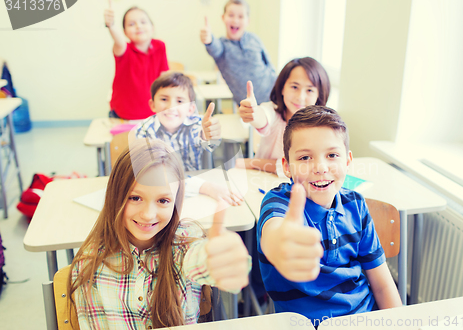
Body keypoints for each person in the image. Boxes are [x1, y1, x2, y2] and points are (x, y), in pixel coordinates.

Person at [69, 139, 251, 328]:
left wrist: (224, 262)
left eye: (163, 200)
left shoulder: (185, 245)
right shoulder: (89, 264)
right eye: (135, 198)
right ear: (115, 194)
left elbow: (203, 260)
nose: (148, 215)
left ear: (176, 202)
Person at [257, 106, 402, 326]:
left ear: (347, 161)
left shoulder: (356, 204)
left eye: (332, 155)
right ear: (286, 166)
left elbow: (382, 284)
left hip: (365, 318)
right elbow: (274, 234)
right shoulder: (279, 203)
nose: (320, 167)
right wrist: (280, 246)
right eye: (305, 157)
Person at [134, 72, 243, 206]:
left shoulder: (197, 125)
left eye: (179, 101)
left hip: (194, 194)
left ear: (191, 108)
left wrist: (209, 135)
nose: (171, 107)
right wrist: (206, 187)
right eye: (164, 99)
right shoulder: (144, 131)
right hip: (160, 195)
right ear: (152, 104)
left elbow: (208, 141)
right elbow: (155, 176)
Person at [236, 57, 331, 175]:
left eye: (309, 90)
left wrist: (252, 163)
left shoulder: (321, 128)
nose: (300, 97)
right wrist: (253, 114)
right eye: (294, 87)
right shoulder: (274, 113)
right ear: (282, 88)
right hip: (262, 182)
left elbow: (295, 168)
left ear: (319, 95)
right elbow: (263, 116)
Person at [200, 0, 276, 105]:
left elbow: (269, 63)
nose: (235, 20)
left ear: (247, 21)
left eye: (240, 16)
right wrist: (209, 39)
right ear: (223, 18)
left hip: (274, 95)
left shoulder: (254, 39)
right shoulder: (222, 46)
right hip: (249, 106)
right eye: (231, 15)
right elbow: (214, 48)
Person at [104, 1, 169, 120]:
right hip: (123, 114)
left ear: (152, 27)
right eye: (131, 24)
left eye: (143, 22)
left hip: (152, 113)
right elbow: (118, 41)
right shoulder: (123, 49)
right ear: (124, 32)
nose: (138, 26)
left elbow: (163, 78)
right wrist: (111, 26)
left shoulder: (160, 46)